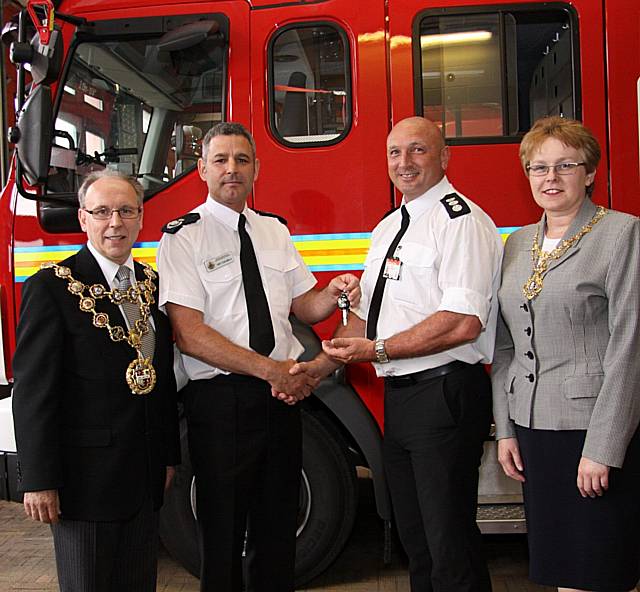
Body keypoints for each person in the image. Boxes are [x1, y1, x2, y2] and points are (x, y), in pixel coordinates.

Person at [288, 116, 503, 591]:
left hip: (445, 392)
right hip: (404, 399)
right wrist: (314, 370)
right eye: (394, 153)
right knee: (417, 539)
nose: (404, 163)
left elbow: (463, 322)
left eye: (417, 150)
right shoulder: (390, 227)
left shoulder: (460, 221)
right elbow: (366, 318)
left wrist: (377, 350)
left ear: (444, 157)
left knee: (449, 543)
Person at [156, 121, 360, 592]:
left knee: (278, 531)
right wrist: (274, 371)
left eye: (242, 161)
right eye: (221, 160)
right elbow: (189, 334)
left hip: (281, 403)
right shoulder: (182, 237)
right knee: (221, 533)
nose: (233, 169)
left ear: (257, 170)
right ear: (202, 169)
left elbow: (303, 305)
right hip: (222, 401)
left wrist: (334, 291)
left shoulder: (273, 230)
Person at [12, 169, 181, 592]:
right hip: (83, 485)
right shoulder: (51, 288)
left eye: (126, 211)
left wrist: (167, 457)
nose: (115, 223)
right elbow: (33, 393)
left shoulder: (154, 286)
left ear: (142, 218)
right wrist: (38, 479)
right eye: (102, 211)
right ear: (83, 219)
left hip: (142, 478)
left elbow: (159, 382)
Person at [492, 116, 640, 592]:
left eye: (564, 166)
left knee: (596, 570)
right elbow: (505, 345)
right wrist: (506, 429)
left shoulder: (622, 235)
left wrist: (603, 448)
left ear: (590, 172)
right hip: (536, 434)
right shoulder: (516, 244)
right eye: (538, 168)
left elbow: (630, 348)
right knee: (560, 571)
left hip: (592, 434)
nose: (550, 179)